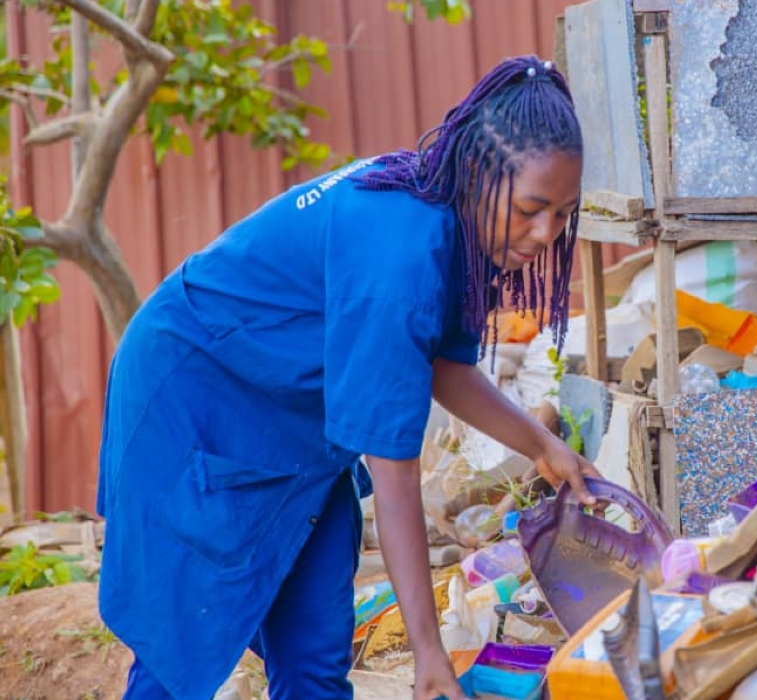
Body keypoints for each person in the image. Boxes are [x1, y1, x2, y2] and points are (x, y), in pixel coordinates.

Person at [97, 54, 600, 700]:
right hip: (198, 402)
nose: (545, 234)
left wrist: (543, 447)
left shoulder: (451, 222)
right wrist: (427, 654)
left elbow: (445, 365)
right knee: (185, 647)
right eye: (532, 208)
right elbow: (395, 475)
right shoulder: (400, 256)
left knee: (314, 655)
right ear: (479, 170)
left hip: (294, 427)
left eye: (563, 214)